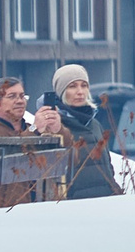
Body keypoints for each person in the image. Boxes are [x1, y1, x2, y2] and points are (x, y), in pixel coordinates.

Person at [46, 64, 120, 199]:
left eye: (84, 85)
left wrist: (115, 189)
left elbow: (107, 164)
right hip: (75, 205)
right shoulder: (53, 125)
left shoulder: (94, 124)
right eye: (72, 86)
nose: (80, 91)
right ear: (61, 91)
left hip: (106, 201)